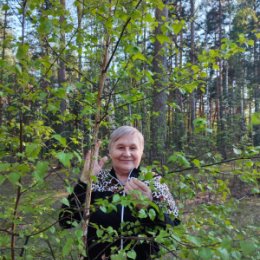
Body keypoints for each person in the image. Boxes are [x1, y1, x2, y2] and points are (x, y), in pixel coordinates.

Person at [59, 126, 180, 260]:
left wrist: (148, 206)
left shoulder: (153, 181)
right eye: (120, 147)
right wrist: (84, 181)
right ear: (110, 151)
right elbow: (66, 221)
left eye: (133, 148)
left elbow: (171, 228)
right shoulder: (97, 181)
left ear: (141, 151)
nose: (127, 153)